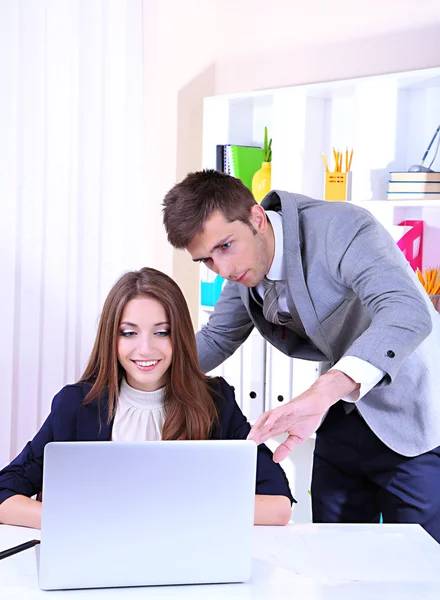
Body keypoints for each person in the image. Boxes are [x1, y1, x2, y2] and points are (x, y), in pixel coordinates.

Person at [162, 169, 440, 542]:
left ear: (256, 217)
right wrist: (133, 372)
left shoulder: (343, 228)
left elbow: (406, 311)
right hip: (339, 417)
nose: (223, 270)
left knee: (419, 567)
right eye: (207, 261)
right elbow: (217, 338)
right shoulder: (244, 270)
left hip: (413, 416)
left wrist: (324, 390)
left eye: (226, 246)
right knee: (334, 557)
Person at [0, 267, 294, 529]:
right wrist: (79, 519)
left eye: (162, 332)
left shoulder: (215, 401)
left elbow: (277, 505)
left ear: (179, 336)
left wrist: (168, 512)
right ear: (111, 339)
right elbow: (5, 493)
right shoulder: (77, 405)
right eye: (129, 333)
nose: (145, 349)